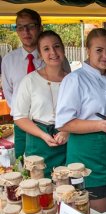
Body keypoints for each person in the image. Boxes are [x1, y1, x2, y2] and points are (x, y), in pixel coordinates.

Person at [55, 28, 106, 213]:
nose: (105, 55)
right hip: (88, 153)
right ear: (88, 50)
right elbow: (64, 123)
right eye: (99, 50)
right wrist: (98, 125)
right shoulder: (75, 80)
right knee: (96, 213)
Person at [1, 8, 71, 159]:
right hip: (23, 122)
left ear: (40, 27)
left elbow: (68, 91)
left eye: (31, 26)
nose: (25, 31)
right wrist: (25, 117)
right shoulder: (9, 60)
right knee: (24, 164)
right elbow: (8, 92)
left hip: (59, 126)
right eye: (20, 27)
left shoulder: (58, 59)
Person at [13, 30, 68, 178]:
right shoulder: (30, 80)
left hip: (68, 143)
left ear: (63, 48)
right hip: (38, 141)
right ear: (40, 54)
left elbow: (82, 113)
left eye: (56, 46)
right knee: (40, 190)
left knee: (66, 188)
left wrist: (67, 131)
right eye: (46, 49)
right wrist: (43, 135)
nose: (53, 52)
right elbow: (19, 117)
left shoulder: (73, 80)